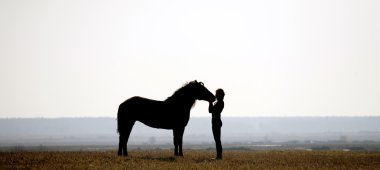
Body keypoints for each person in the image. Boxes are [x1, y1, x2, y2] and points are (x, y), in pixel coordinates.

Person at [208, 88, 224, 160]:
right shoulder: (219, 102)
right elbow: (211, 111)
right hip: (216, 122)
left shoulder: (219, 103)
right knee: (217, 139)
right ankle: (219, 156)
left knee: (217, 140)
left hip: (216, 122)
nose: (215, 95)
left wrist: (210, 102)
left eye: (216, 93)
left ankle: (219, 156)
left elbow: (211, 111)